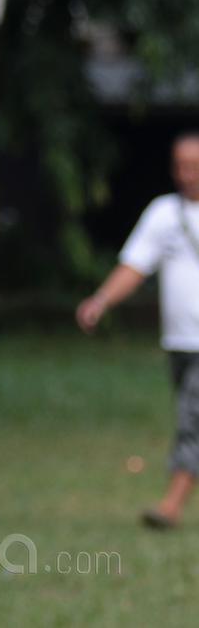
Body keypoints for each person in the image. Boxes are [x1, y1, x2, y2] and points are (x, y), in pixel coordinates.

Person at [76, 132, 199, 530]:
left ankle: (172, 506)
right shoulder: (165, 213)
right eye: (180, 165)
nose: (186, 174)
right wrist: (101, 301)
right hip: (180, 344)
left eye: (194, 166)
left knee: (191, 419)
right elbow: (135, 265)